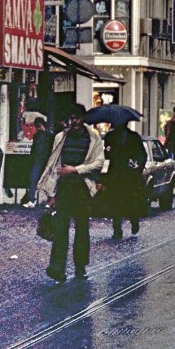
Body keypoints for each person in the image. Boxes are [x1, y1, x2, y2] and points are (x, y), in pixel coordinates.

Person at [37, 103, 105, 282]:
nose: (74, 122)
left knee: (82, 228)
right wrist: (52, 194)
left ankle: (80, 266)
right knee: (61, 228)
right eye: (71, 118)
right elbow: (53, 163)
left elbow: (98, 163)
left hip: (82, 189)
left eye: (77, 118)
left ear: (83, 119)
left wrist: (76, 170)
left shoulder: (93, 138)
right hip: (65, 189)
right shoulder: (61, 137)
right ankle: (57, 267)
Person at [103, 120, 147, 239]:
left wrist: (139, 165)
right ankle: (117, 229)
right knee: (115, 203)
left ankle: (134, 220)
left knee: (130, 201)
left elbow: (142, 154)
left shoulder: (133, 137)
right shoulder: (109, 137)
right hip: (115, 175)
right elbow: (106, 154)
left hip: (130, 175)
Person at [20, 112, 54, 206]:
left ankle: (47, 200)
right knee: (34, 179)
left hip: (44, 160)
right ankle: (32, 199)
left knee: (43, 180)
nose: (38, 128)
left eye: (39, 126)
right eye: (37, 127)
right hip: (39, 160)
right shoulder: (41, 135)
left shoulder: (49, 136)